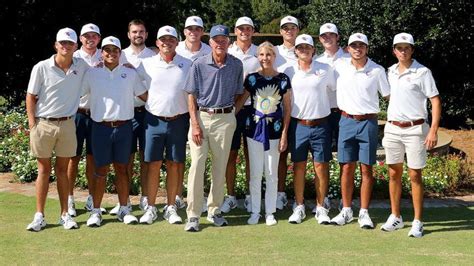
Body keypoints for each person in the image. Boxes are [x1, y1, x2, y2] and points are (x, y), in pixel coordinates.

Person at [26, 27, 88, 231]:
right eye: (62, 43)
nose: (66, 46)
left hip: (68, 124)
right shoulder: (41, 67)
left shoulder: (81, 66)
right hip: (43, 124)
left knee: (62, 170)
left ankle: (64, 214)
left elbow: (104, 66)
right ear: (56, 45)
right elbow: (31, 96)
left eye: (70, 43)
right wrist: (32, 124)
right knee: (43, 170)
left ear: (75, 47)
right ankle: (39, 215)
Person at [183, 25, 243, 232]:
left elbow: (238, 92)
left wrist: (231, 113)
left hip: (225, 119)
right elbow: (191, 94)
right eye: (216, 40)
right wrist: (195, 123)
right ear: (210, 42)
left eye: (223, 40)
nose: (220, 43)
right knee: (197, 166)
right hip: (201, 117)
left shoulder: (236, 64)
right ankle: (193, 214)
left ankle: (214, 210)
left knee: (220, 167)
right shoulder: (199, 64)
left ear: (229, 42)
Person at [381, 33, 441, 238]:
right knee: (393, 173)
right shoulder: (389, 71)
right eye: (399, 47)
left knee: (415, 175)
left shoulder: (423, 72)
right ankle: (396, 216)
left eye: (407, 47)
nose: (403, 51)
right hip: (392, 128)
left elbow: (435, 101)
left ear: (412, 50)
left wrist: (433, 130)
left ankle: (418, 221)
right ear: (394, 50)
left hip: (416, 129)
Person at [84, 36, 147, 227]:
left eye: (115, 50)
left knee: (122, 169)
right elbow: (78, 92)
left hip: (124, 127)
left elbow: (145, 96)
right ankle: (95, 211)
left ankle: (124, 209)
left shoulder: (130, 73)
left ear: (120, 53)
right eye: (107, 50)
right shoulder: (92, 73)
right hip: (100, 127)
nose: (111, 54)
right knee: (100, 169)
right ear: (101, 53)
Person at [330, 33, 390, 229]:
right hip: (346, 121)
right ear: (347, 48)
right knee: (346, 167)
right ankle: (346, 210)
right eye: (353, 45)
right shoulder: (339, 66)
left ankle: (364, 212)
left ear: (367, 48)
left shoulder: (377, 70)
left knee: (366, 168)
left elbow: (389, 96)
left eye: (361, 45)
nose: (357, 48)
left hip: (368, 122)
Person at [137, 26, 192, 225]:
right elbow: (135, 85)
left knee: (175, 164)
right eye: (163, 40)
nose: (166, 43)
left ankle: (170, 207)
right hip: (154, 121)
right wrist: (150, 100)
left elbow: (193, 93)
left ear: (177, 42)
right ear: (157, 42)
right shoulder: (146, 63)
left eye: (170, 39)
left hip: (179, 120)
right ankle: (151, 208)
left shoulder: (187, 64)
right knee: (153, 164)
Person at [235, 41, 291, 226]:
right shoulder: (251, 79)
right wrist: (226, 118)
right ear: (257, 57)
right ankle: (255, 211)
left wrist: (284, 134)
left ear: (274, 57)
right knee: (256, 173)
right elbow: (241, 102)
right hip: (254, 130)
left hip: (274, 131)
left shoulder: (282, 79)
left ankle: (270, 212)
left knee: (271, 172)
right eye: (261, 55)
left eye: (269, 55)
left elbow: (288, 109)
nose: (265, 58)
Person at [282, 34, 336, 224]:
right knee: (298, 167)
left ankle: (321, 207)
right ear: (295, 51)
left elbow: (335, 89)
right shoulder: (288, 71)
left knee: (321, 166)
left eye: (307, 47)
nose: (304, 50)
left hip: (321, 124)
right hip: (298, 125)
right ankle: (299, 205)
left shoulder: (326, 69)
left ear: (314, 49)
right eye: (300, 47)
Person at [108, 19, 156, 215]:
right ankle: (124, 200)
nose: (138, 35)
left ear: (146, 34)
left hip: (148, 112)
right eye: (134, 31)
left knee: (146, 158)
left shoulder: (154, 55)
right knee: (124, 159)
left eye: (141, 32)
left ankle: (145, 198)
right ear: (128, 34)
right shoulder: (120, 54)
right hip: (126, 113)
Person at [222, 16, 260, 213]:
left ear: (253, 31)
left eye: (248, 28)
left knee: (252, 155)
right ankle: (230, 196)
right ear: (235, 31)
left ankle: (251, 196)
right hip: (232, 109)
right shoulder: (228, 52)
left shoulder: (260, 52)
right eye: (240, 28)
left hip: (255, 111)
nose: (244, 31)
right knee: (231, 154)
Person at [67, 23, 105, 216]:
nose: (91, 39)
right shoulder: (73, 57)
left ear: (99, 38)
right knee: (72, 158)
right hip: (76, 113)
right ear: (80, 39)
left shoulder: (106, 55)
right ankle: (70, 199)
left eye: (94, 36)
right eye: (86, 36)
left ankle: (92, 198)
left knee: (93, 158)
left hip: (97, 114)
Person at [175, 15, 212, 211]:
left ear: (202, 31)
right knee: (178, 157)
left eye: (197, 29)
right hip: (178, 110)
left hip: (202, 112)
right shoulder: (175, 48)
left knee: (199, 158)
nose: (193, 32)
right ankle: (177, 196)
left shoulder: (209, 50)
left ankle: (200, 197)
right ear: (184, 31)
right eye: (190, 28)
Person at [314, 22, 350, 214]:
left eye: (331, 35)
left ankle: (346, 203)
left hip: (344, 113)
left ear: (337, 37)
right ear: (320, 39)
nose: (328, 38)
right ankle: (324, 198)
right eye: (324, 36)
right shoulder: (317, 61)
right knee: (323, 158)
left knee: (346, 159)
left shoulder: (349, 58)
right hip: (325, 114)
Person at [274, 15, 300, 211]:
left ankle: (302, 197)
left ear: (298, 30)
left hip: (302, 113)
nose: (289, 30)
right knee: (280, 154)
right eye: (286, 28)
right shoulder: (274, 52)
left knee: (300, 158)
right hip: (278, 111)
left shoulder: (306, 50)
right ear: (281, 31)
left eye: (293, 27)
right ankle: (280, 193)